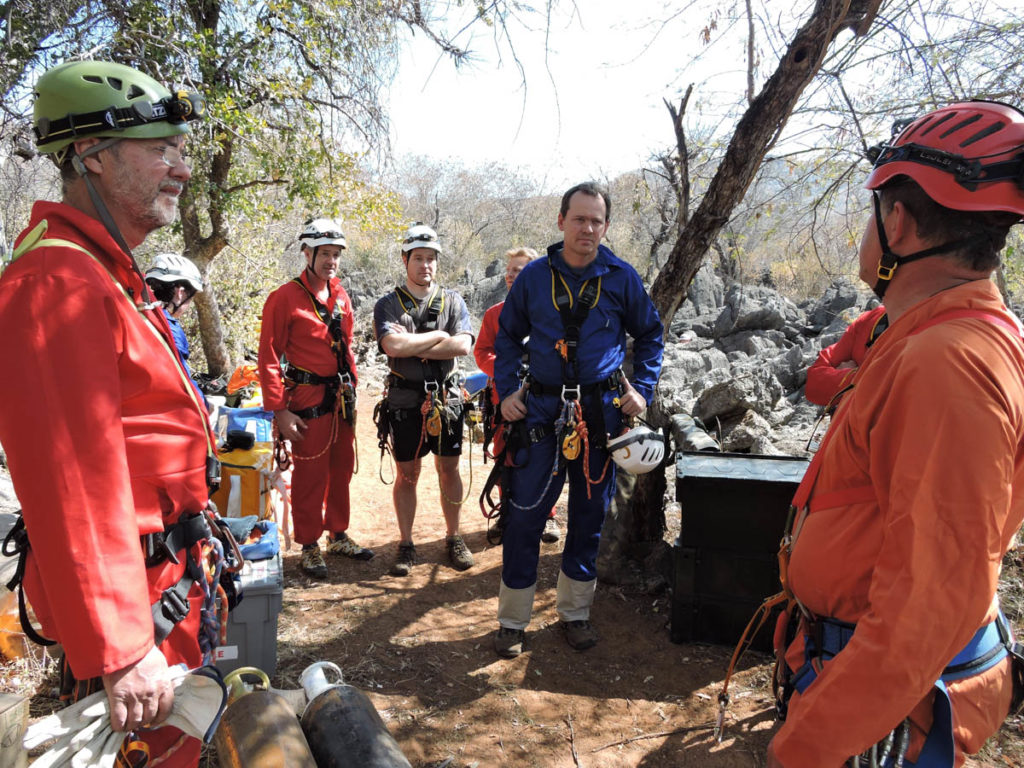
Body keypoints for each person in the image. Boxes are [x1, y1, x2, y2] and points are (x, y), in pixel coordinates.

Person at [768, 101, 1024, 768]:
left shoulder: (949, 363)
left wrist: (806, 747)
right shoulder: (928, 338)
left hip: (887, 711)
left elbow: (926, 608)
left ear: (899, 221)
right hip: (866, 680)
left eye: (870, 211)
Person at [0, 60, 214, 766]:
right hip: (134, 616)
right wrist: (122, 648)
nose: (180, 167)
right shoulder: (54, 280)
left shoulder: (103, 271)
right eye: (161, 149)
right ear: (91, 156)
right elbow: (73, 485)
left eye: (181, 149)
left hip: (163, 589)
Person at [491, 182, 663, 658]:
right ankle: (512, 621)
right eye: (579, 218)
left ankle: (575, 614)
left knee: (588, 518)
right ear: (561, 221)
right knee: (524, 516)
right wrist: (507, 391)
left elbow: (650, 335)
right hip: (542, 411)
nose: (587, 228)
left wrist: (641, 390)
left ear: (605, 227)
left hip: (599, 415)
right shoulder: (534, 279)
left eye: (596, 221)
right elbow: (507, 339)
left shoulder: (622, 278)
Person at [257, 217, 373, 578]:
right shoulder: (284, 298)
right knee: (310, 473)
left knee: (340, 468)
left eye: (336, 254)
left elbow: (348, 347)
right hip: (307, 398)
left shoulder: (339, 295)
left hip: (340, 397)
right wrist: (279, 411)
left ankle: (337, 533)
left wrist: (352, 388)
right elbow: (269, 356)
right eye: (324, 253)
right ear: (307, 253)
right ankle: (309, 543)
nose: (331, 261)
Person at [373, 223, 476, 576]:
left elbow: (463, 346)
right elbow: (392, 346)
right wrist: (439, 336)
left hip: (446, 398)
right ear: (406, 260)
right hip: (404, 401)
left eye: (431, 259)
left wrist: (418, 341)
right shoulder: (388, 305)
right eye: (418, 258)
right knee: (408, 474)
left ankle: (454, 536)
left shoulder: (453, 301)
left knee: (449, 469)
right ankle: (406, 542)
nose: (425, 265)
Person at [474, 246, 561, 544]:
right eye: (510, 270)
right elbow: (482, 351)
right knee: (504, 456)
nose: (512, 276)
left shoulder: (550, 312)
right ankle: (505, 513)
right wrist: (507, 372)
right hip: (503, 400)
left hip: (542, 399)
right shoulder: (494, 314)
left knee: (546, 457)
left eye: (519, 271)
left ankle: (547, 516)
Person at [145, 252, 207, 404]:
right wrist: (205, 405)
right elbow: (182, 381)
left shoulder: (141, 312)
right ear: (180, 292)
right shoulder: (168, 329)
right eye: (190, 299)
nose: (188, 305)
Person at [804, 304, 887, 408]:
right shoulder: (871, 319)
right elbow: (815, 384)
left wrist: (853, 376)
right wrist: (856, 377)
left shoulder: (912, 339)